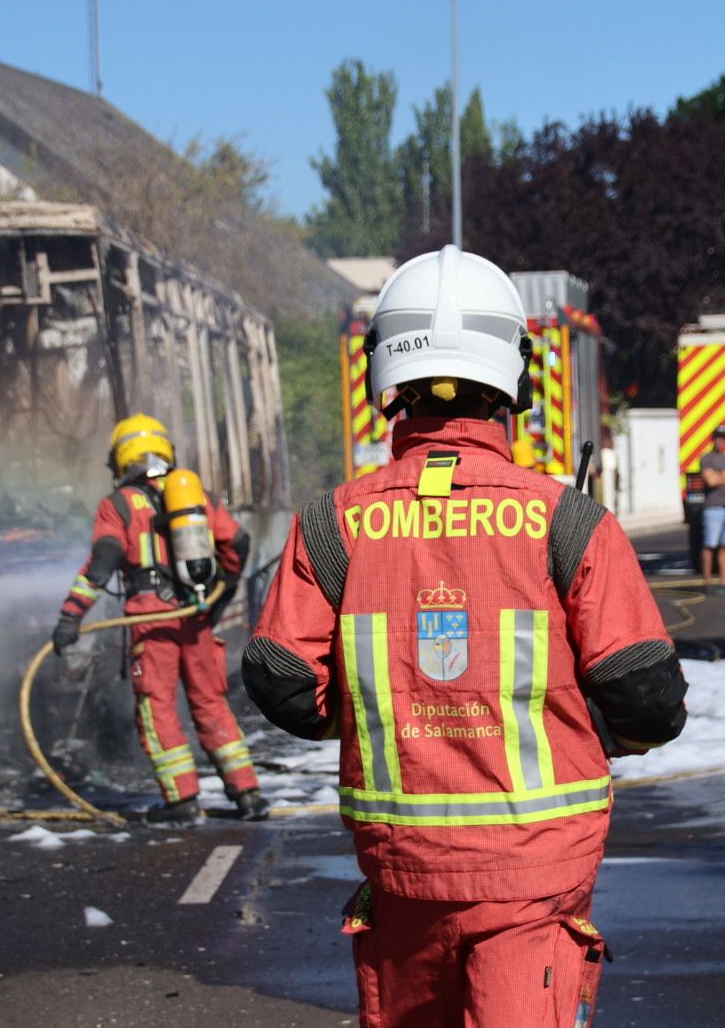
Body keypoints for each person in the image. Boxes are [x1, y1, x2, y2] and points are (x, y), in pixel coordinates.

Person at [241, 246, 689, 1028]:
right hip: (537, 876)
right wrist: (584, 726)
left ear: (385, 372)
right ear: (512, 373)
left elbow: (281, 681)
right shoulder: (566, 520)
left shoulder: (333, 523)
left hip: (400, 872)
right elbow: (648, 700)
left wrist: (384, 712)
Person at [51, 414, 270, 827]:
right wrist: (218, 597)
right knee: (211, 703)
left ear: (121, 458)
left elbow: (104, 559)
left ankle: (182, 802)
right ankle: (248, 794)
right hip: (195, 616)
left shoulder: (117, 505)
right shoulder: (194, 495)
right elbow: (237, 542)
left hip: (151, 622)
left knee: (158, 708)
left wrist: (70, 616)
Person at [698, 426, 725, 587]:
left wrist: (721, 475)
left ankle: (724, 580)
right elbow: (711, 481)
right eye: (717, 437)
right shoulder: (707, 459)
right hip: (713, 507)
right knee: (710, 544)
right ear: (713, 439)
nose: (720, 441)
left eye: (722, 438)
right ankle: (708, 579)